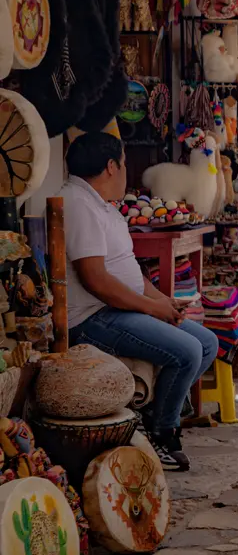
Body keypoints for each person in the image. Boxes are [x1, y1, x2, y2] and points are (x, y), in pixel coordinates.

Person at [58, 133, 219, 472]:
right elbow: (96, 280)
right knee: (187, 352)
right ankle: (163, 431)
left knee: (206, 343)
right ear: (111, 167)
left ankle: (154, 411)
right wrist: (150, 308)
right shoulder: (76, 202)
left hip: (119, 308)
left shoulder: (99, 204)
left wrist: (162, 301)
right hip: (93, 317)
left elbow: (126, 267)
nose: (126, 172)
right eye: (124, 164)